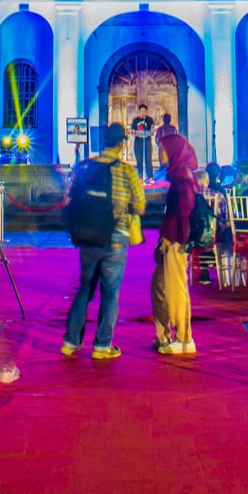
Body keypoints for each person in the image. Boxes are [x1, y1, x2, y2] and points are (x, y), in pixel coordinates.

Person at [63, 121, 145, 360]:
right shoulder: (126, 170)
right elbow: (140, 205)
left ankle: (70, 341)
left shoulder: (84, 166)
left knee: (84, 288)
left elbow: (68, 196)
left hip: (88, 235)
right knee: (110, 292)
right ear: (121, 144)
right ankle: (102, 345)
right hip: (116, 236)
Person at [151, 126, 199, 354]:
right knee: (159, 287)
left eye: (162, 148)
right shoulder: (176, 174)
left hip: (176, 241)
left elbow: (184, 211)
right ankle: (163, 337)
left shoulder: (183, 177)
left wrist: (173, 239)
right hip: (169, 238)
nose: (159, 153)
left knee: (175, 288)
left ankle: (184, 338)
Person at [131, 104, 156, 179]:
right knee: (139, 160)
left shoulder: (149, 120)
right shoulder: (135, 120)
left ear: (146, 112)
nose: (143, 112)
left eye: (144, 111)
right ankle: (140, 178)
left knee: (148, 160)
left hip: (147, 142)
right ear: (139, 111)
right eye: (141, 111)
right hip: (138, 142)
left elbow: (152, 130)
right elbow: (132, 131)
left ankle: (150, 177)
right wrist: (134, 133)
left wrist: (152, 131)